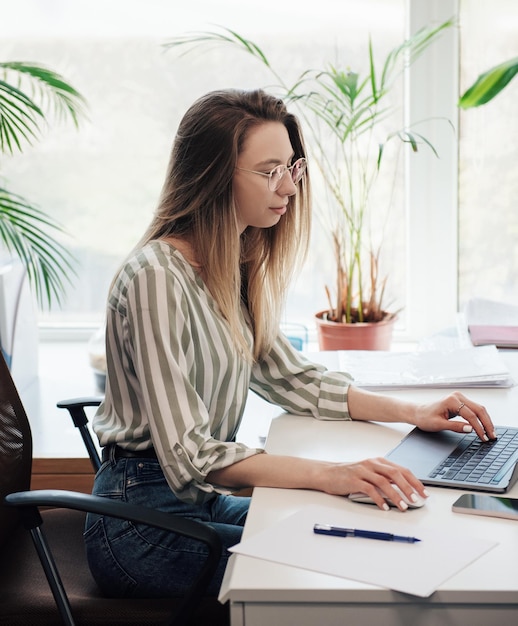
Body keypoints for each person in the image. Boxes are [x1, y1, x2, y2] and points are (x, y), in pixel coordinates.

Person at [84, 88, 496, 600]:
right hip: (138, 521)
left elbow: (294, 380)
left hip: (199, 501)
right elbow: (190, 456)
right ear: (213, 175)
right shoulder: (156, 278)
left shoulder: (230, 264)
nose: (289, 187)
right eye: (269, 170)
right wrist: (331, 474)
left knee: (378, 539)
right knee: (330, 574)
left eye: (291, 168)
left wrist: (416, 412)